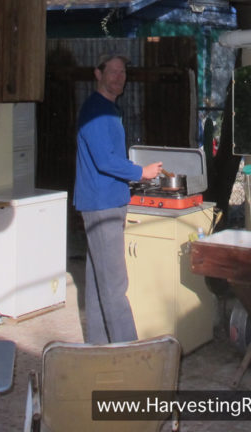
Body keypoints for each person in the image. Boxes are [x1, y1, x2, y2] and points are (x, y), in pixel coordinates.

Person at [75, 53, 162, 344]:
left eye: (122, 72)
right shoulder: (96, 110)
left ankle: (99, 346)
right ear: (97, 74)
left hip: (104, 201)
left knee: (99, 281)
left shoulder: (109, 109)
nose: (118, 77)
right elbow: (105, 160)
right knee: (114, 285)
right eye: (112, 71)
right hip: (102, 205)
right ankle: (129, 352)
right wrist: (141, 172)